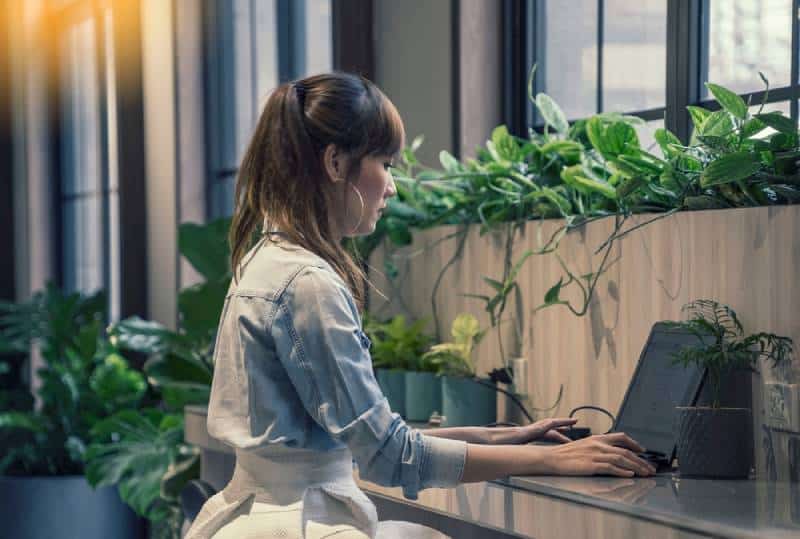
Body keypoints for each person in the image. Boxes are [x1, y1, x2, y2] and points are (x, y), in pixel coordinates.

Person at [185, 72, 655, 539]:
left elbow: (358, 443)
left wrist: (498, 436)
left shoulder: (264, 260)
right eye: (385, 163)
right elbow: (388, 456)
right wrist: (550, 458)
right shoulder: (308, 283)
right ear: (334, 162)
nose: (391, 186)